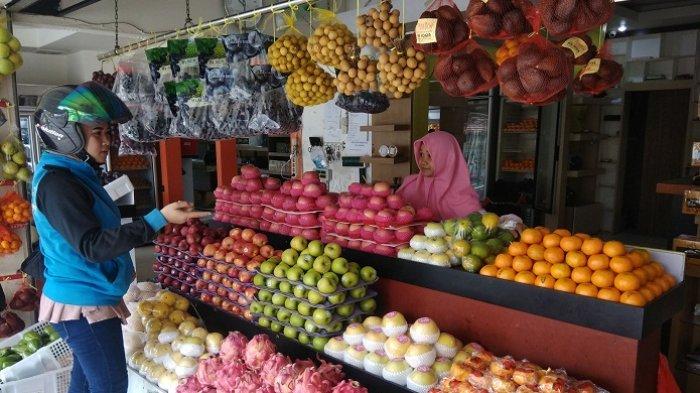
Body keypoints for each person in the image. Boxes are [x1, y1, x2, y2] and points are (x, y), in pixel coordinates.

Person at [31, 82, 208, 393]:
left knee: (85, 382)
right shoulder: (58, 184)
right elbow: (93, 245)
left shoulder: (71, 175)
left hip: (87, 296)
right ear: (67, 134)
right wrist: (158, 218)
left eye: (107, 132)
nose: (107, 141)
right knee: (110, 386)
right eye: (97, 132)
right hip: (83, 304)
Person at [397, 130, 482, 220]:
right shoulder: (409, 186)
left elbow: (476, 228)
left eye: (430, 155)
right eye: (421, 154)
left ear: (446, 158)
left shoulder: (463, 197)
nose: (423, 161)